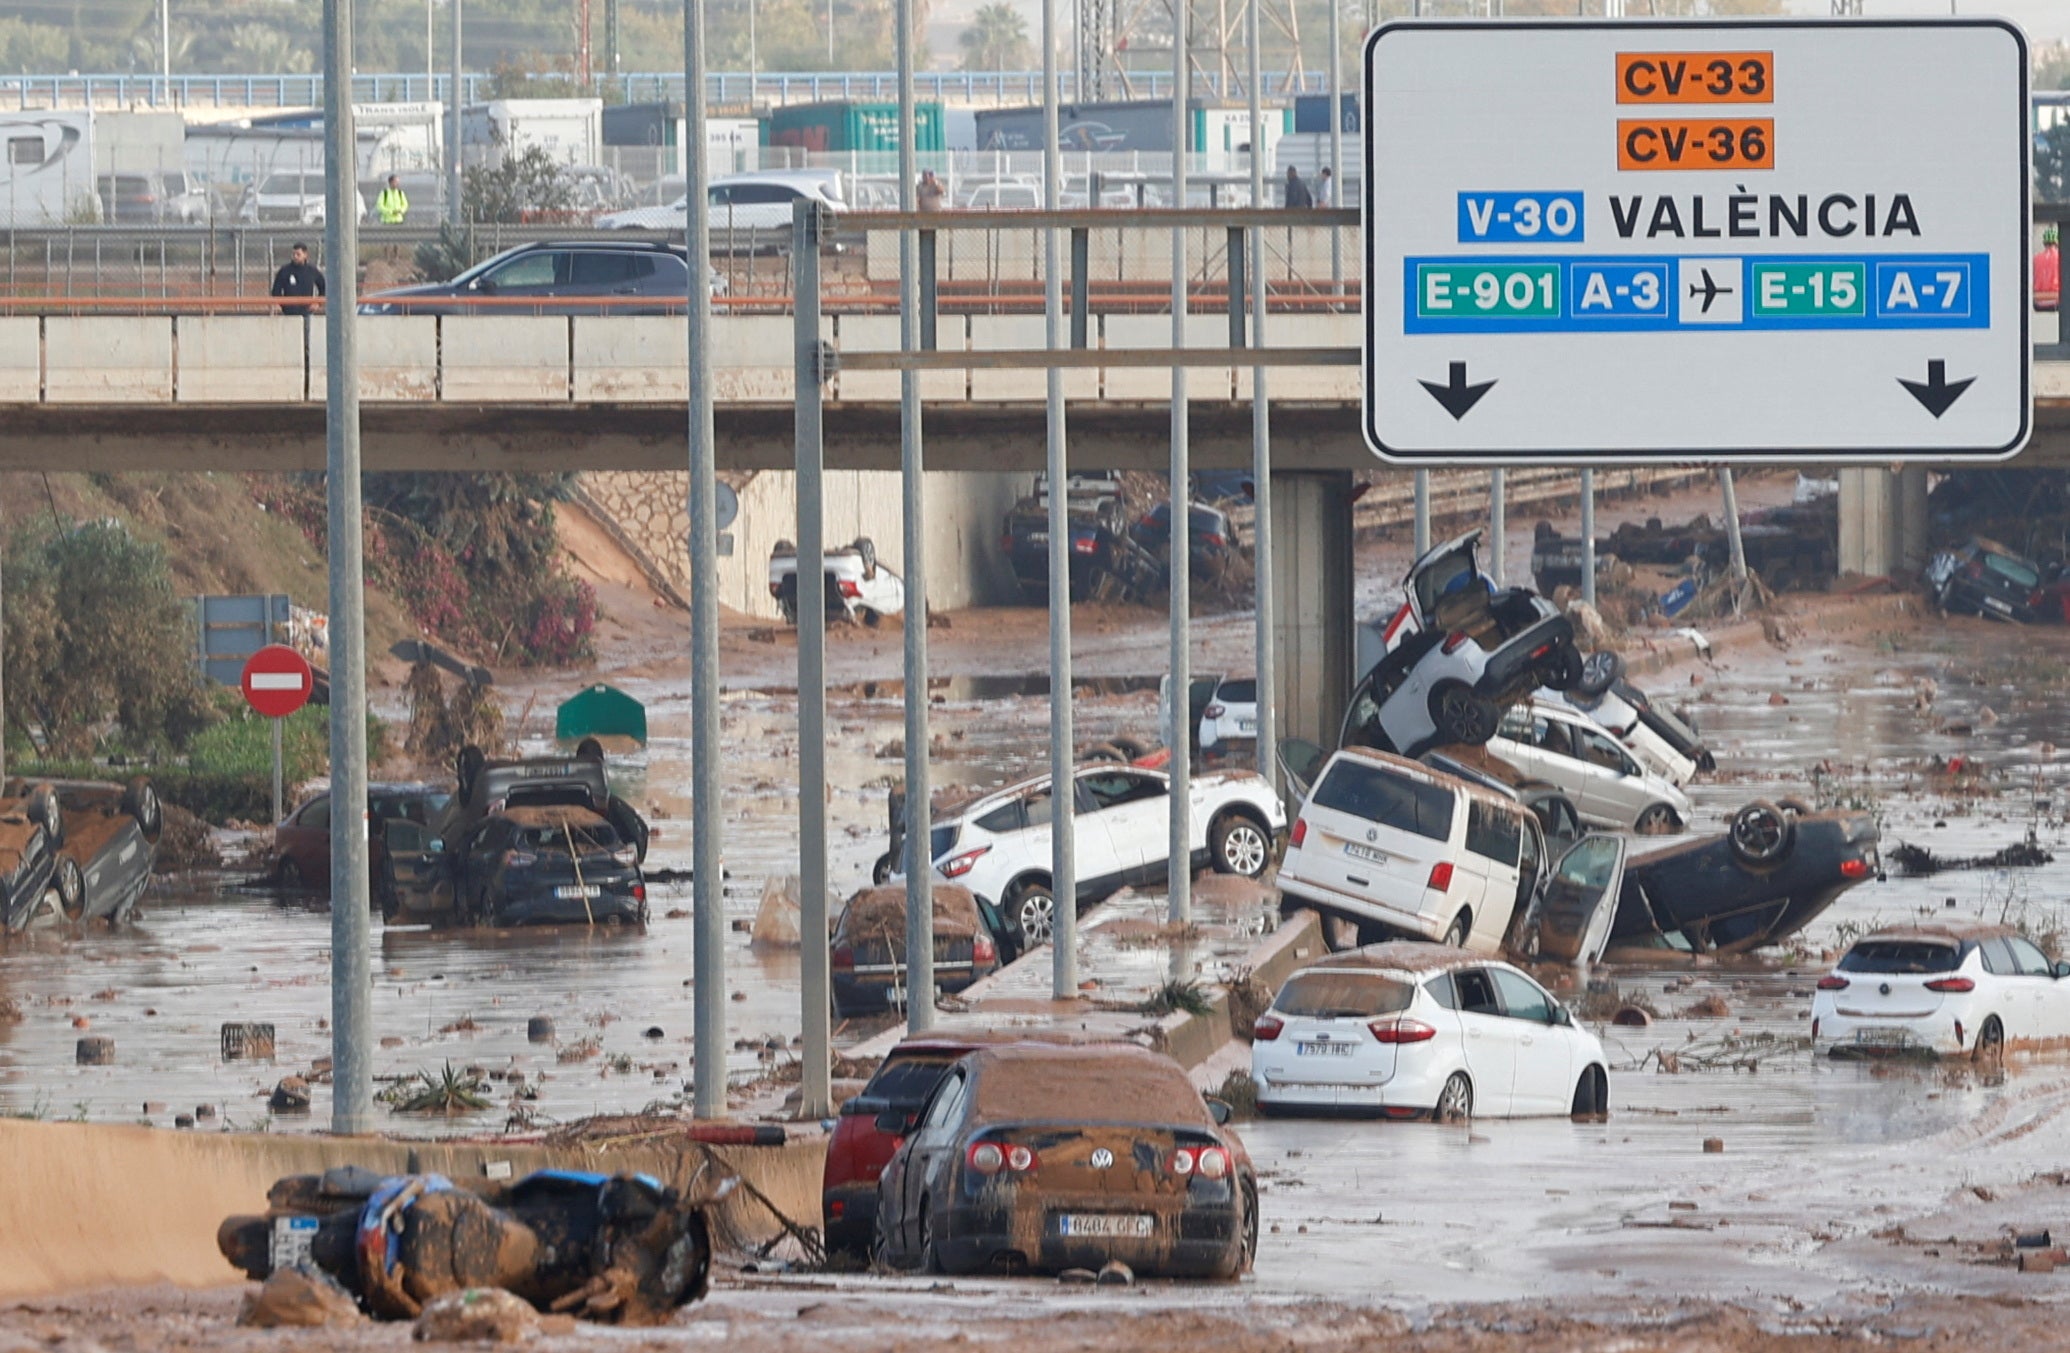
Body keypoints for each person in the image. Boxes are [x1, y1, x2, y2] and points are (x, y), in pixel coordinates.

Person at [270, 242, 325, 314]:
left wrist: (318, 303)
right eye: (293, 254)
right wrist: (281, 305)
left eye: (298, 254)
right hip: (288, 312)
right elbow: (276, 290)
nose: (295, 256)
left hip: (307, 312)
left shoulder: (312, 270)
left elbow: (323, 287)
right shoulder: (285, 270)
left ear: (305, 255)